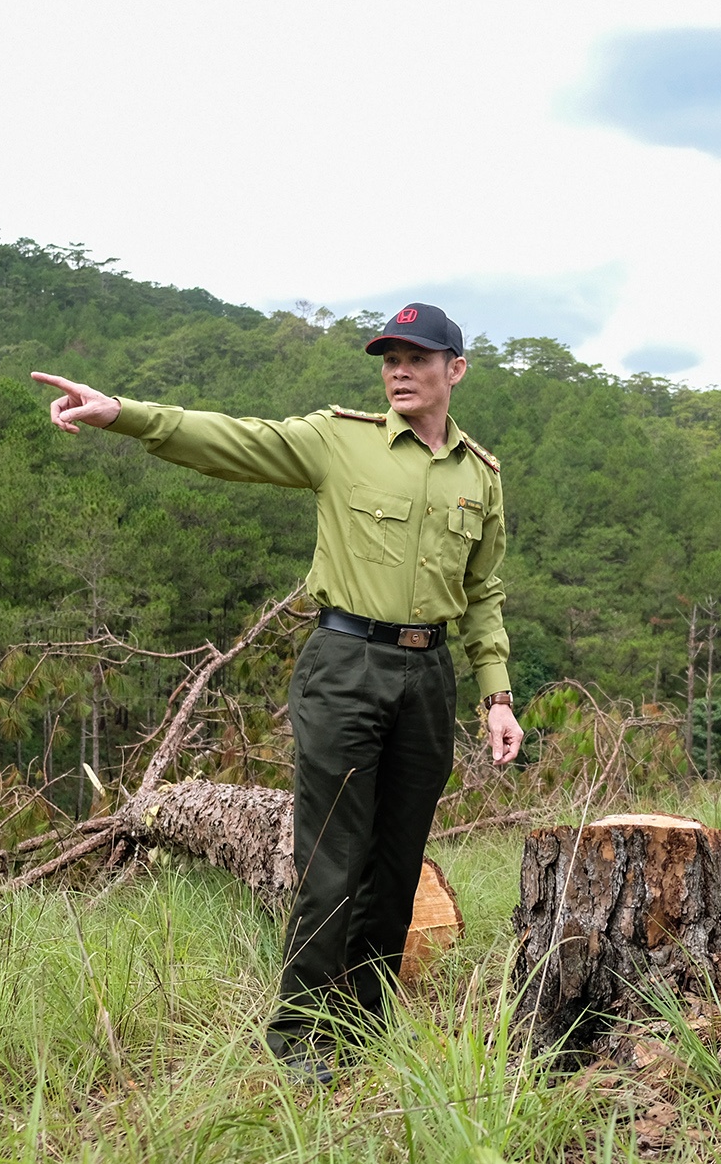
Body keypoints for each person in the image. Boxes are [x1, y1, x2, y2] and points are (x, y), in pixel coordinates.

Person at [32, 302, 523, 1082]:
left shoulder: (480, 476)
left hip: (430, 677)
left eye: (417, 358)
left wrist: (496, 697)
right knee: (332, 856)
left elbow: (483, 591)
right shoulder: (340, 440)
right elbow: (231, 441)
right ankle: (299, 1040)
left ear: (454, 370)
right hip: (345, 664)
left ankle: (363, 1030)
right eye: (389, 358)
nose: (398, 370)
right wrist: (122, 414)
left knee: (397, 863)